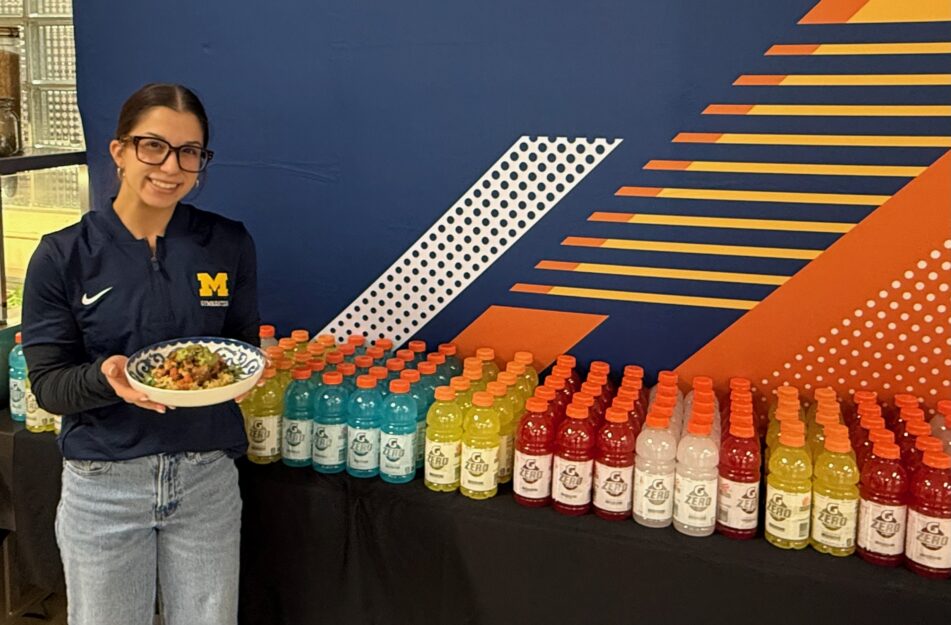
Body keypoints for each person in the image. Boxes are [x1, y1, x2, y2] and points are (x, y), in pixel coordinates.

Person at [21, 83, 259, 625]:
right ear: (119, 151)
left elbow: (240, 346)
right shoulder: (63, 255)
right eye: (152, 146)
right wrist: (106, 378)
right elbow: (49, 385)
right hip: (103, 483)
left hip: (206, 481)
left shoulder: (228, 243)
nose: (170, 166)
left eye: (189, 151)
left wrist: (240, 371)